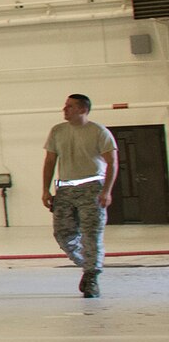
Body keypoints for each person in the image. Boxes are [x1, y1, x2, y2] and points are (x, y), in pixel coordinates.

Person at [42, 93, 118, 298]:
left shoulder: (98, 132)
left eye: (70, 106)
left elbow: (112, 162)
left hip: (92, 188)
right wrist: (45, 189)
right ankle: (87, 265)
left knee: (91, 234)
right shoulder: (57, 131)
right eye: (65, 105)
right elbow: (50, 161)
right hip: (65, 190)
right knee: (63, 234)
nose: (64, 109)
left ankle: (92, 276)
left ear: (83, 109)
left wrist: (106, 191)